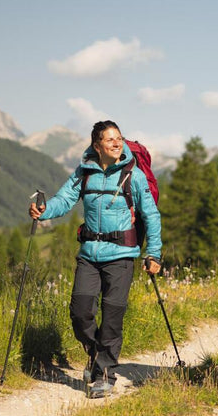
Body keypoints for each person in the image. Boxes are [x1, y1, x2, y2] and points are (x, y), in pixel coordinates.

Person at [29, 120, 162, 398]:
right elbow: (64, 200)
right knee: (80, 311)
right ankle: (94, 354)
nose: (117, 143)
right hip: (89, 254)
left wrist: (154, 253)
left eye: (120, 138)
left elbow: (151, 215)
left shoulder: (132, 175)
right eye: (110, 140)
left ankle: (105, 373)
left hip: (122, 255)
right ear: (96, 145)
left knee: (112, 315)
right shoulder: (84, 173)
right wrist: (44, 210)